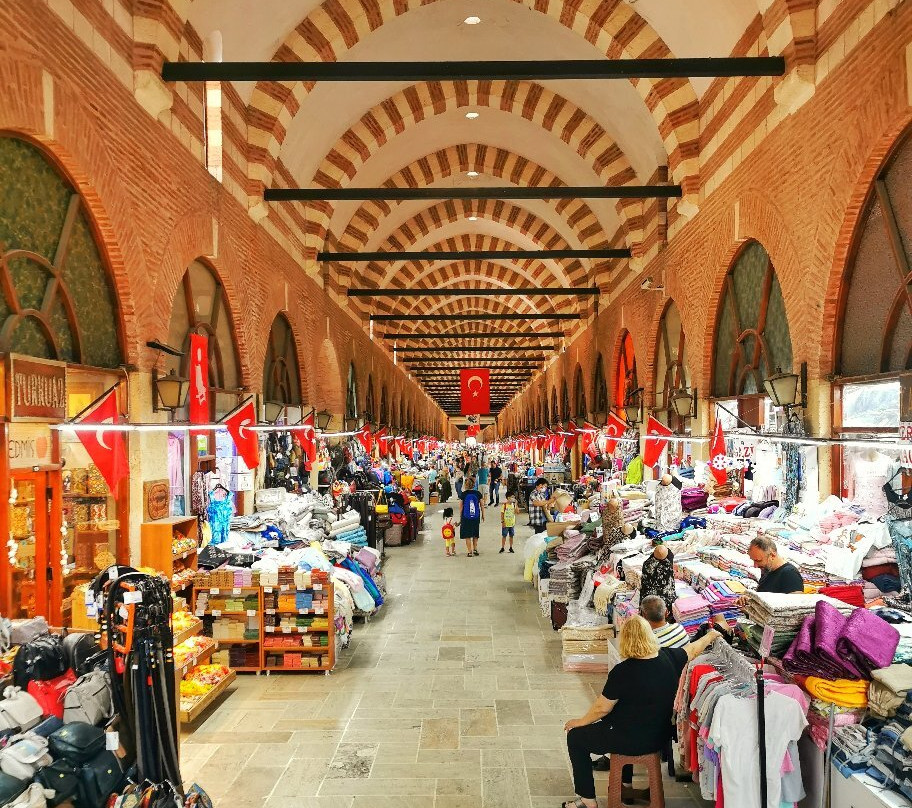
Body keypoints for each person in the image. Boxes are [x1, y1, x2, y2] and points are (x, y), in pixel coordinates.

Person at [561, 617, 721, 808]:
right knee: (627, 720)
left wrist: (580, 722)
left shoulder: (622, 671)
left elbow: (602, 708)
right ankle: (625, 785)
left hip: (628, 739)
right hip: (658, 738)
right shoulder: (670, 658)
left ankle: (587, 800)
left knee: (576, 738)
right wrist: (712, 634)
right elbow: (694, 649)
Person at [457, 476, 484, 557]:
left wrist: (460, 517)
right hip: (476, 516)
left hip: (466, 517)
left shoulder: (463, 494)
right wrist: (483, 515)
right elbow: (482, 505)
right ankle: (475, 549)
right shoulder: (478, 493)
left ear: (465, 485)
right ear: (473, 485)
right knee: (475, 533)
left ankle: (469, 551)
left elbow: (461, 506)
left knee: (467, 535)